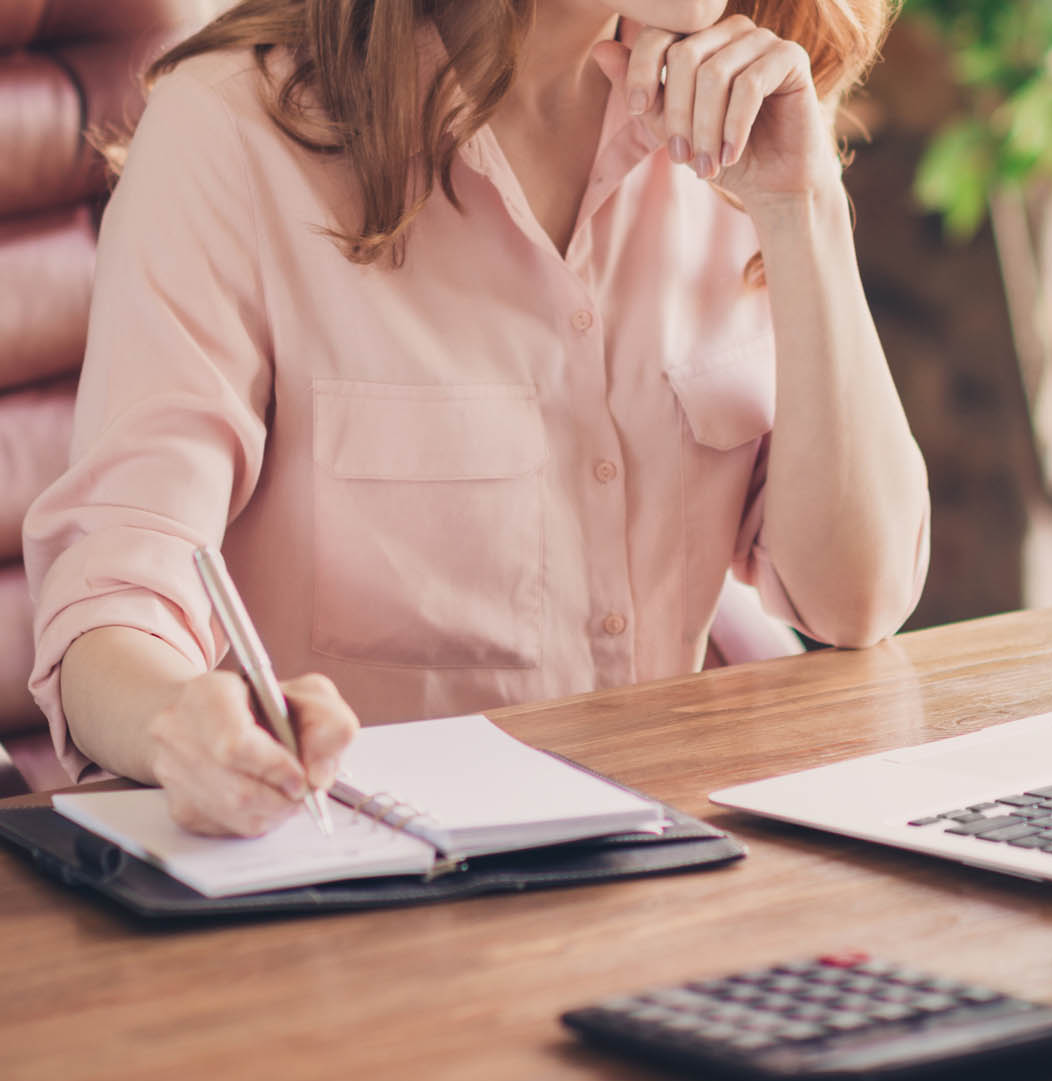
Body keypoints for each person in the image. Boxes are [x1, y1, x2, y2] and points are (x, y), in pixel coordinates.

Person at [22, 0, 929, 838]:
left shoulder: (727, 123)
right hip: (363, 903)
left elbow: (853, 601)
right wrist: (178, 722)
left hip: (662, 866)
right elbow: (110, 597)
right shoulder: (229, 135)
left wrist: (801, 206)